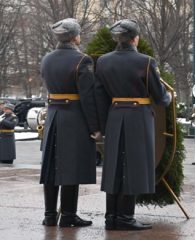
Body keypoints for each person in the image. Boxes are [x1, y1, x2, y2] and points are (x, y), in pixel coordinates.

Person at [95, 19, 171, 231]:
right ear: (135, 39)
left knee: (114, 168)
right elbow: (159, 95)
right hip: (138, 117)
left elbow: (99, 97)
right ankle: (126, 217)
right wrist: (168, 99)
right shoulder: (145, 62)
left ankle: (111, 217)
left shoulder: (102, 61)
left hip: (114, 115)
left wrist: (101, 125)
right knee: (135, 166)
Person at [40, 18, 101, 227]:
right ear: (75, 37)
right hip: (74, 118)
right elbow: (87, 97)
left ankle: (49, 215)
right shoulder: (82, 60)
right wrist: (95, 127)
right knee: (71, 168)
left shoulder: (46, 59)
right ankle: (67, 215)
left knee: (50, 167)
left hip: (53, 116)